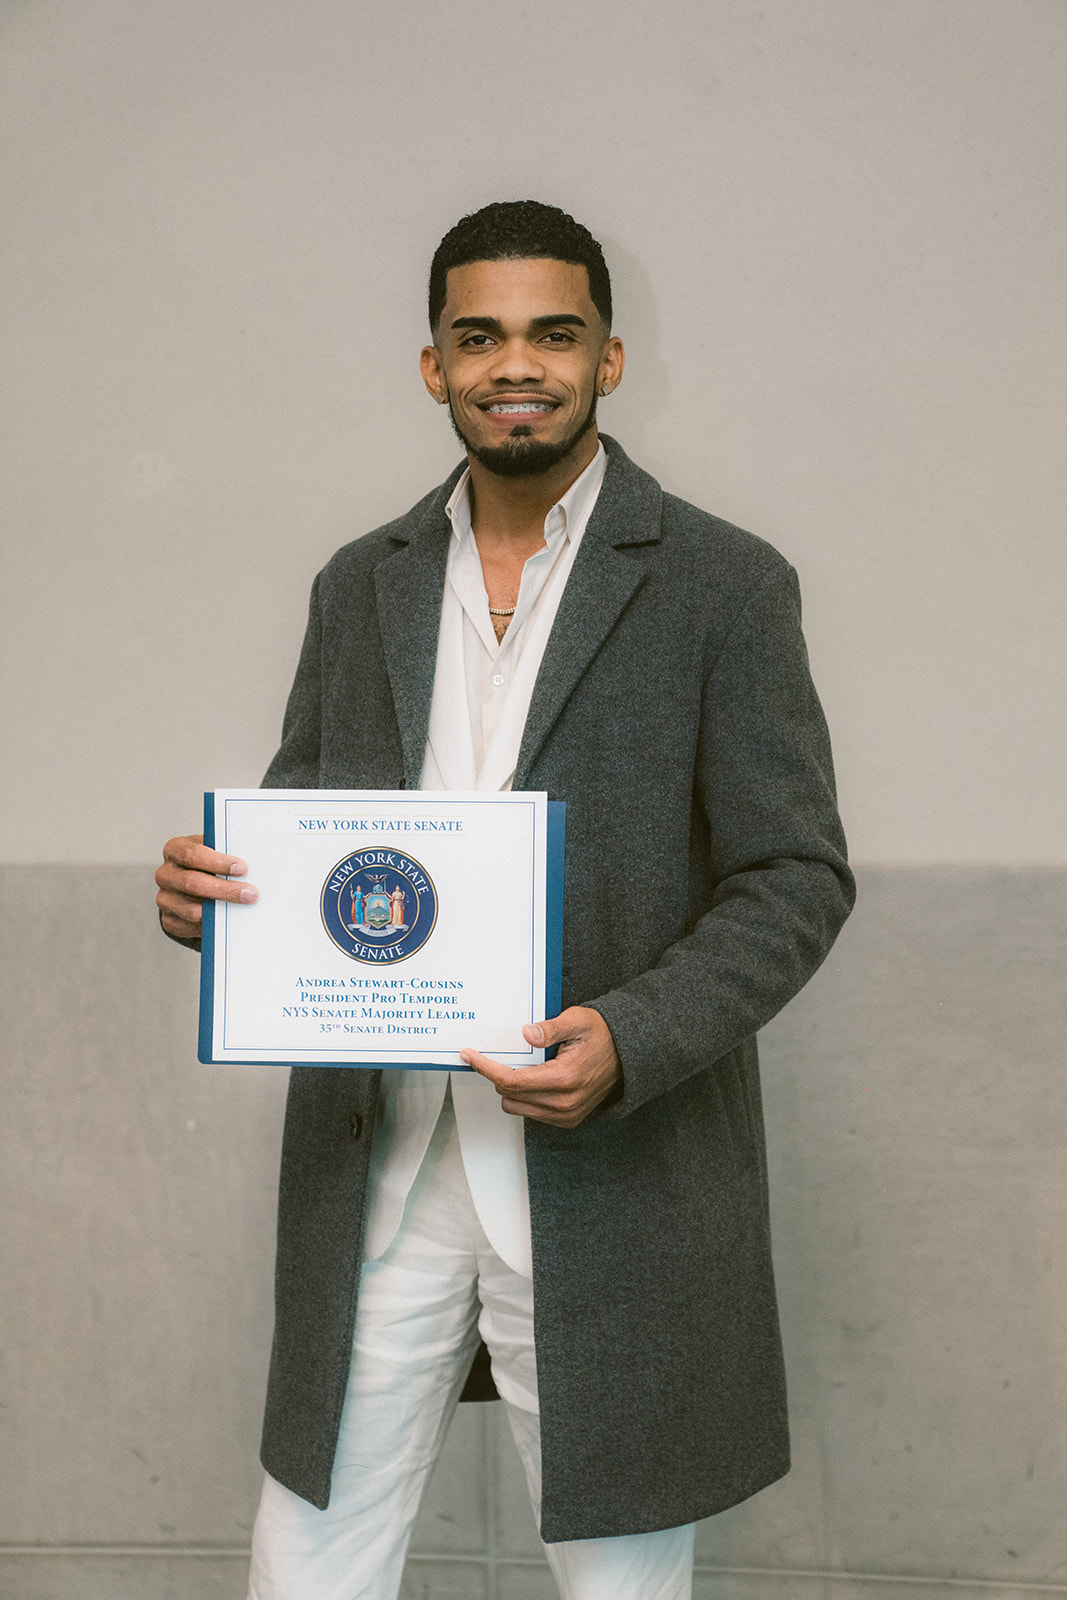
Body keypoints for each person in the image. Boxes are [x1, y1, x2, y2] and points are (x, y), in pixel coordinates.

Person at [156, 200, 855, 1600]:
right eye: (479, 337)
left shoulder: (723, 583)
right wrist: (220, 894)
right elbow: (307, 824)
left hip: (611, 1164)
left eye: (554, 334)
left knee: (618, 1577)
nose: (516, 364)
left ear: (608, 360)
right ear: (435, 365)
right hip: (382, 1152)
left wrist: (633, 1038)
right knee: (308, 1559)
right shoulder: (360, 583)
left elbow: (794, 877)